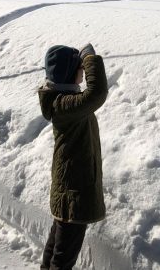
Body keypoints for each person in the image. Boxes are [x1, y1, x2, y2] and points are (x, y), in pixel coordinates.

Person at [37, 43, 108, 270]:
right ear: (69, 73)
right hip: (73, 192)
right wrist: (90, 58)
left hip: (69, 189)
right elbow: (97, 93)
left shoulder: (63, 101)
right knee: (63, 256)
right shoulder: (65, 104)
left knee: (57, 246)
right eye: (79, 67)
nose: (82, 72)